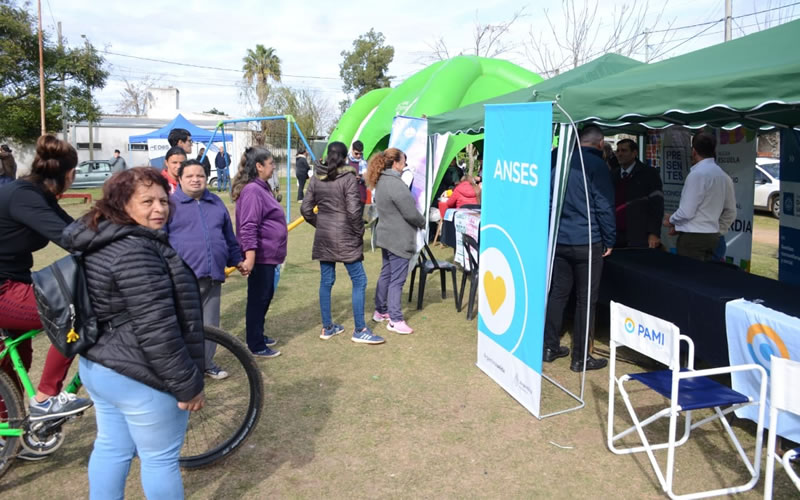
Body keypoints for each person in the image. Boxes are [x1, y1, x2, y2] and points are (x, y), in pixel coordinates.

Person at [61, 167, 205, 499]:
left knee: (111, 447)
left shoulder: (101, 236)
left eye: (163, 200)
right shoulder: (135, 250)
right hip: (139, 373)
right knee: (159, 459)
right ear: (122, 204)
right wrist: (188, 386)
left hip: (101, 365)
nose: (159, 209)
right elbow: (158, 329)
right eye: (147, 201)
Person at [0, 135, 93, 428]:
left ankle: (11, 435)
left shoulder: (37, 195)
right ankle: (45, 399)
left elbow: (77, 229)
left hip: (14, 282)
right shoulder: (24, 196)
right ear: (69, 174)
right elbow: (72, 239)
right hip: (3, 289)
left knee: (13, 369)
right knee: (73, 312)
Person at [543, 125, 615, 372]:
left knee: (558, 293)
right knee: (586, 300)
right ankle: (580, 357)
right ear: (600, 143)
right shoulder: (596, 165)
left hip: (560, 238)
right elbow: (604, 205)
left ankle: (549, 346)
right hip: (587, 240)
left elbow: (548, 199)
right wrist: (610, 239)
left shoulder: (558, 158)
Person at [166, 159, 246, 379]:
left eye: (200, 175)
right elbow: (159, 241)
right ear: (180, 179)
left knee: (210, 325)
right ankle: (181, 369)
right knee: (184, 325)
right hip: (181, 279)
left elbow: (228, 236)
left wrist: (237, 260)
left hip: (213, 276)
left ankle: (206, 363)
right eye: (190, 176)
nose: (195, 180)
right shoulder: (169, 206)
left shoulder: (215, 202)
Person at [301, 142, 385, 345]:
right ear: (345, 157)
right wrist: (358, 232)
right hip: (346, 235)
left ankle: (327, 327)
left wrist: (321, 224)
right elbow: (354, 211)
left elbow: (305, 209)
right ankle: (360, 329)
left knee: (326, 281)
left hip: (325, 236)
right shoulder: (348, 178)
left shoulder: (316, 178)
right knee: (359, 280)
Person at [232, 147, 287, 358]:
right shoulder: (253, 191)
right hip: (261, 256)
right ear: (259, 166)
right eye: (271, 163)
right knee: (258, 298)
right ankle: (255, 344)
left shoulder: (262, 188)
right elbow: (248, 226)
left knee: (265, 296)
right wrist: (250, 256)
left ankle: (258, 334)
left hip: (269, 254)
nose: (274, 167)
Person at [366, 147, 425, 335]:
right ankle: (395, 319)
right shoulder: (396, 184)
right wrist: (423, 222)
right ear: (396, 163)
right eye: (404, 162)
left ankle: (381, 311)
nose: (405, 166)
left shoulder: (381, 181)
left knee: (387, 274)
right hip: (398, 238)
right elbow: (410, 213)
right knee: (397, 279)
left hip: (386, 235)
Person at [663, 131, 737, 262]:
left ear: (694, 151)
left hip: (694, 239)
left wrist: (672, 220)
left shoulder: (697, 174)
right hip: (712, 235)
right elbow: (730, 211)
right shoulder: (722, 175)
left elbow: (686, 212)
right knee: (707, 274)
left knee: (689, 274)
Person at [612, 139, 664, 248]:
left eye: (624, 151)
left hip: (639, 235)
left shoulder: (649, 174)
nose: (619, 154)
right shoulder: (613, 174)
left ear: (634, 153)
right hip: (615, 234)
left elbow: (657, 206)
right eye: (618, 151)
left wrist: (653, 233)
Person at [348, 140, 368, 205]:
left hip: (361, 197)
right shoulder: (346, 162)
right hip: (349, 197)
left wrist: (362, 178)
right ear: (352, 150)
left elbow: (368, 179)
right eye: (356, 153)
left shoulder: (364, 163)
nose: (359, 156)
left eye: (360, 154)